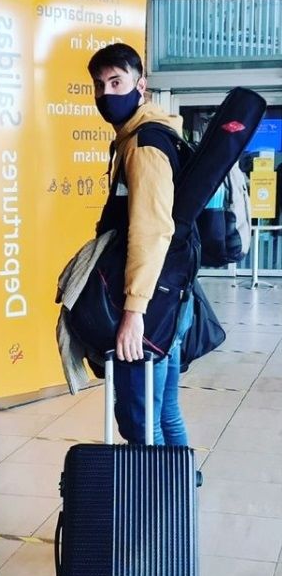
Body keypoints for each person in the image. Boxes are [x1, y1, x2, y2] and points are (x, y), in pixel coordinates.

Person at [87, 43, 194, 445]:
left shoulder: (144, 146)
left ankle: (157, 488)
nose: (106, 94)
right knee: (165, 413)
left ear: (141, 85)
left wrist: (133, 312)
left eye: (117, 82)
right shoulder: (152, 133)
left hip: (150, 304)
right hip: (170, 294)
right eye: (100, 85)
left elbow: (151, 230)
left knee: (142, 425)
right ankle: (182, 483)